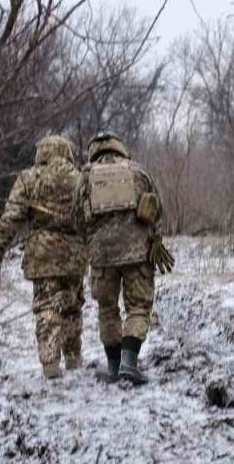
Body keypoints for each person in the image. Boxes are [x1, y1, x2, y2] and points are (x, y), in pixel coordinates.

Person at [73, 131, 173, 385]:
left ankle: (114, 367)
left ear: (93, 151)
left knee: (108, 310)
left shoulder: (85, 177)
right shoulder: (138, 172)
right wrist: (155, 238)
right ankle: (130, 363)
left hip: (102, 256)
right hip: (137, 254)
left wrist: (91, 243)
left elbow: (75, 218)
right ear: (120, 148)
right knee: (138, 306)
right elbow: (157, 208)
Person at [0, 135, 87, 379]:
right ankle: (74, 357)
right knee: (73, 304)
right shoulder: (80, 179)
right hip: (75, 253)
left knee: (47, 306)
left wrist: (0, 244)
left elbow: (12, 215)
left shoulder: (29, 178)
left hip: (43, 254)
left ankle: (50, 362)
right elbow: (91, 214)